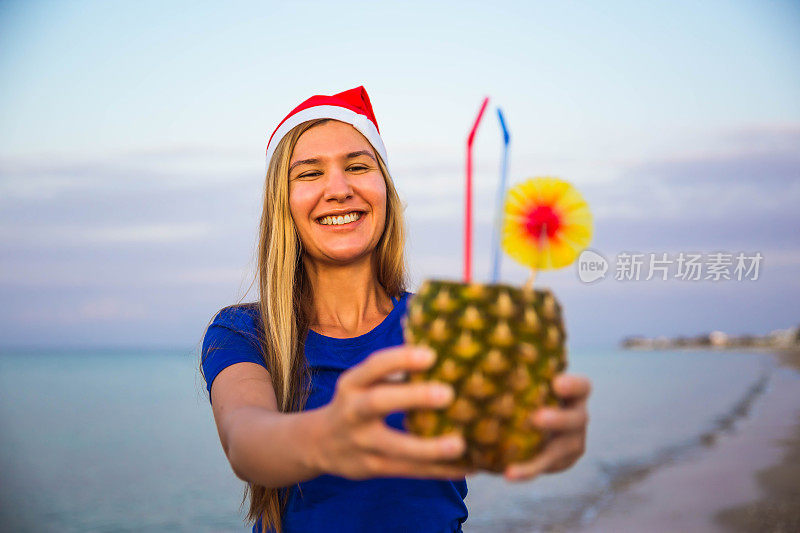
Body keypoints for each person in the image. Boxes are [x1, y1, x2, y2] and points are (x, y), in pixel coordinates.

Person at [200, 86, 591, 533]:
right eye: (309, 174)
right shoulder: (244, 331)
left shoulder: (449, 325)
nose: (339, 189)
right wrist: (327, 436)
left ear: (384, 189)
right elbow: (245, 440)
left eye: (357, 166)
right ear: (281, 205)